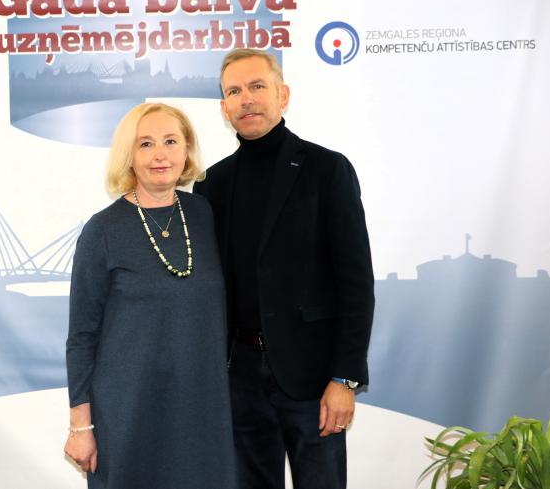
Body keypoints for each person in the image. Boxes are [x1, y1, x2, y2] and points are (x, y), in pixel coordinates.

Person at [193, 49, 374, 489]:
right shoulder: (212, 184)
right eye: (234, 91)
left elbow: (355, 283)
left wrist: (344, 378)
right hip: (239, 377)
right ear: (224, 108)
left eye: (257, 86)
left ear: (283, 95)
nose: (246, 99)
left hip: (314, 378)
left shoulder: (327, 169)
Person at [64, 102, 236, 489]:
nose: (160, 154)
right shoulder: (102, 230)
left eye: (171, 141)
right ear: (129, 155)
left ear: (187, 149)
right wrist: (80, 425)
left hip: (202, 408)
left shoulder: (204, 215)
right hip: (127, 412)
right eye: (146, 144)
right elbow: (81, 337)